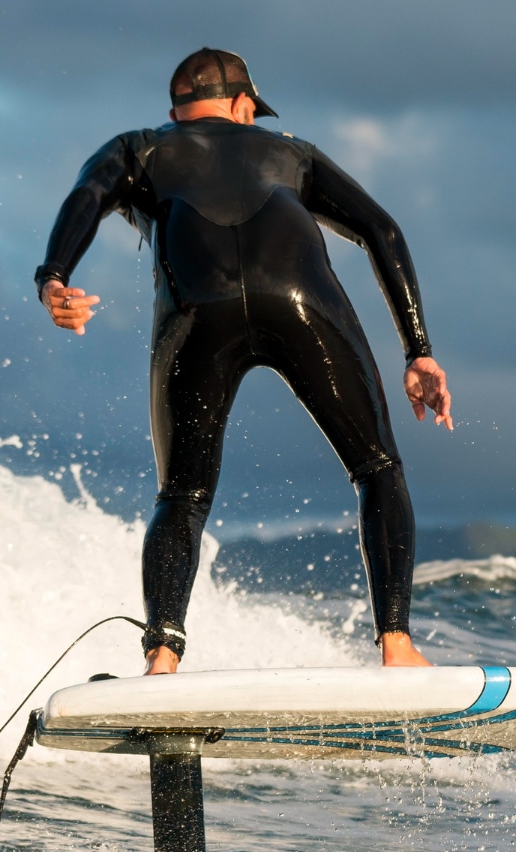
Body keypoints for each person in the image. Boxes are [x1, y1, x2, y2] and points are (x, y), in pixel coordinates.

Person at [34, 48, 452, 674]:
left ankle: (162, 659)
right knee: (377, 468)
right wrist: (418, 350)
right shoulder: (291, 152)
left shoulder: (137, 149)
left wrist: (54, 277)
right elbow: (382, 230)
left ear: (178, 106)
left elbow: (87, 196)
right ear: (241, 104)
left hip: (198, 313)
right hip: (303, 304)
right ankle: (397, 646)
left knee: (182, 495)